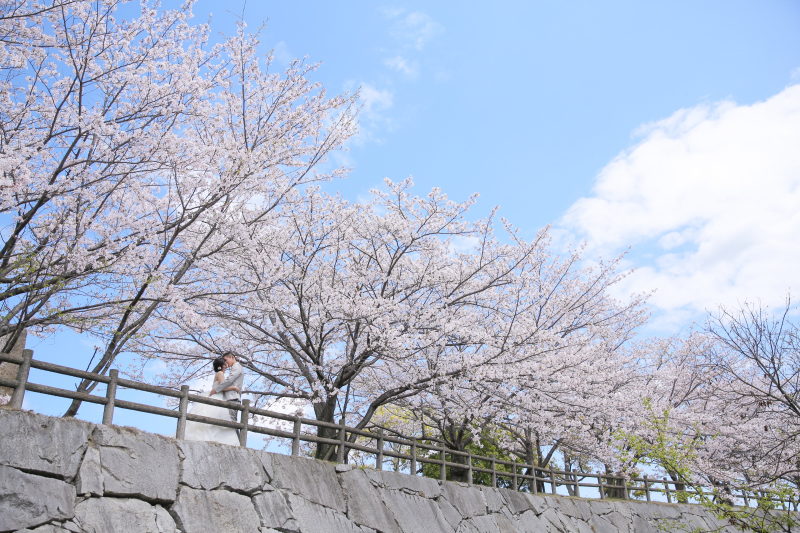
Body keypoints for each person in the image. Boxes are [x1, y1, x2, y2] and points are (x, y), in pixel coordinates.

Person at [183, 356, 240, 445]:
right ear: (223, 365)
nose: (227, 363)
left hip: (217, 396)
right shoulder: (220, 373)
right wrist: (234, 387)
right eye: (225, 362)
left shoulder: (219, 373)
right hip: (217, 396)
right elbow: (222, 387)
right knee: (218, 417)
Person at [211, 351, 244, 424]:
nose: (225, 362)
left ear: (232, 357)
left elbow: (229, 380)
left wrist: (216, 390)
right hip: (229, 397)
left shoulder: (237, 367)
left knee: (231, 422)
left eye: (226, 360)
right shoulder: (233, 368)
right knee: (227, 422)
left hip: (232, 397)